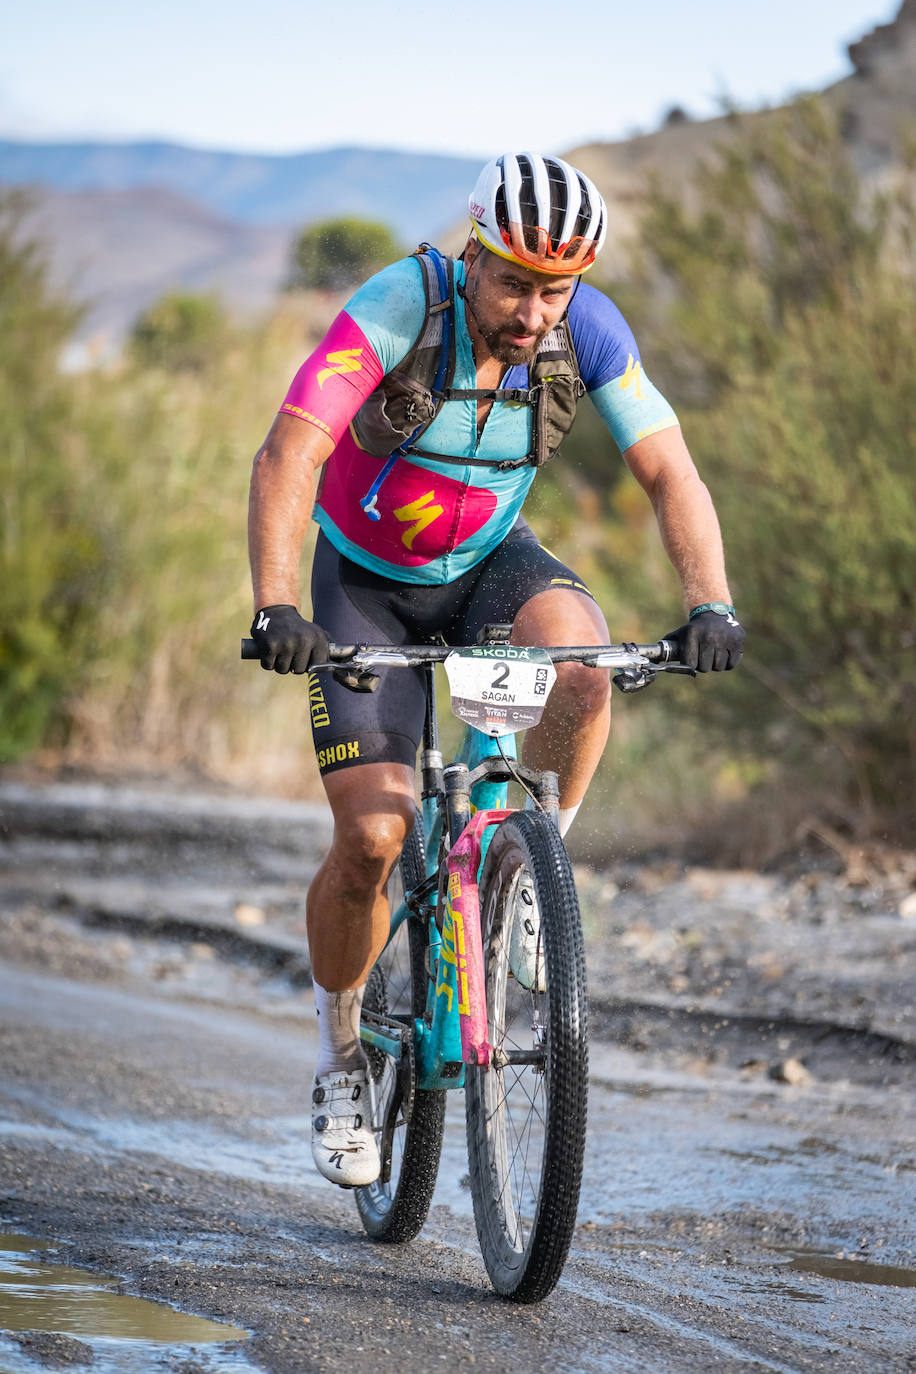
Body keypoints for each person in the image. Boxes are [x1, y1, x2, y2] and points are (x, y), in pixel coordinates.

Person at [248, 152, 744, 1188]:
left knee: (581, 664)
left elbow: (669, 469)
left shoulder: (588, 331)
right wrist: (277, 604)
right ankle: (343, 1052)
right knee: (372, 838)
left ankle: (527, 870)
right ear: (473, 254)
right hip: (363, 583)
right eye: (513, 280)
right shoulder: (400, 304)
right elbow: (291, 449)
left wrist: (710, 603)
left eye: (553, 287)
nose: (531, 312)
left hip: (484, 566)